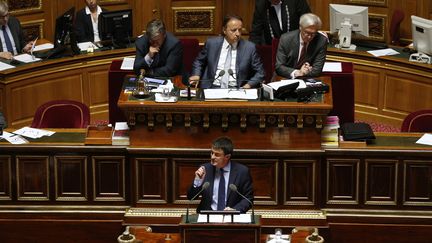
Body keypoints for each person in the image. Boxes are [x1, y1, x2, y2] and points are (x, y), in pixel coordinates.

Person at [189, 14, 265, 89]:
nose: (238, 34)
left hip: (237, 88)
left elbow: (260, 72)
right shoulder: (211, 44)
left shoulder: (249, 47)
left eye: (240, 30)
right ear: (224, 30)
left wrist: (248, 85)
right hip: (212, 87)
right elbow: (199, 61)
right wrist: (196, 75)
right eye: (233, 30)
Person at [187, 136, 254, 213]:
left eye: (217, 154)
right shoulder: (205, 169)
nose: (212, 157)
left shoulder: (242, 172)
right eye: (212, 153)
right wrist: (198, 181)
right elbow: (191, 197)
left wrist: (235, 210)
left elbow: (248, 199)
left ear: (227, 157)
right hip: (207, 217)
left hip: (231, 217)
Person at [275, 13, 327, 79]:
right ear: (300, 28)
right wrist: (298, 72)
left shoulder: (321, 41)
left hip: (308, 79)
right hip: (286, 77)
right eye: (307, 32)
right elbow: (279, 67)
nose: (309, 37)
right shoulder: (286, 39)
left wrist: (304, 72)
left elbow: (317, 70)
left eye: (313, 34)